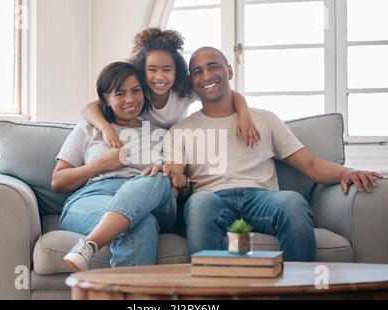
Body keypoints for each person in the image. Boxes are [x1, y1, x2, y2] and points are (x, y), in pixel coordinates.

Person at [159, 47, 383, 261]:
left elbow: (311, 164)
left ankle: (298, 289)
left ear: (229, 70)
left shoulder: (264, 119)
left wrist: (347, 172)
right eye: (197, 71)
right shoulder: (180, 131)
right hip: (212, 199)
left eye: (213, 66)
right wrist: (175, 180)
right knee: (200, 203)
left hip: (262, 199)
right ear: (192, 81)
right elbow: (177, 177)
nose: (206, 75)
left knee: (292, 201)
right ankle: (210, 296)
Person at [52, 62, 177, 272]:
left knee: (157, 176)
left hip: (152, 201)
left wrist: (166, 176)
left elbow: (173, 187)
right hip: (93, 198)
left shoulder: (162, 135)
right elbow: (57, 182)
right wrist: (102, 164)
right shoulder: (88, 129)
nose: (130, 99)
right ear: (106, 100)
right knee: (139, 225)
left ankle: (90, 244)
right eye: (120, 93)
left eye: (136, 91)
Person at [82, 28, 261, 149]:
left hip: (175, 145)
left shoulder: (183, 91)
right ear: (142, 71)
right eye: (152, 70)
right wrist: (106, 129)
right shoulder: (137, 92)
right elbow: (89, 108)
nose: (159, 77)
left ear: (178, 71)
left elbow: (232, 95)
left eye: (167, 70)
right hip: (147, 144)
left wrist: (244, 115)